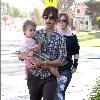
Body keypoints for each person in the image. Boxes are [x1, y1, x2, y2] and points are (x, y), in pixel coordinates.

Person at [17, 7, 67, 100]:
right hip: (34, 75)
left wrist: (43, 63)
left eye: (51, 18)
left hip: (50, 77)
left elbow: (62, 61)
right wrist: (28, 58)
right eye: (46, 17)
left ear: (56, 20)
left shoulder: (61, 38)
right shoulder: (35, 33)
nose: (48, 20)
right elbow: (19, 53)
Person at [55, 12, 80, 100]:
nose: (61, 22)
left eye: (64, 20)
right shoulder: (53, 35)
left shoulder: (72, 37)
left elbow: (76, 52)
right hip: (51, 68)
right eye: (59, 20)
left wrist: (75, 65)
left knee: (60, 90)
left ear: (67, 22)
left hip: (66, 68)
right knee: (54, 92)